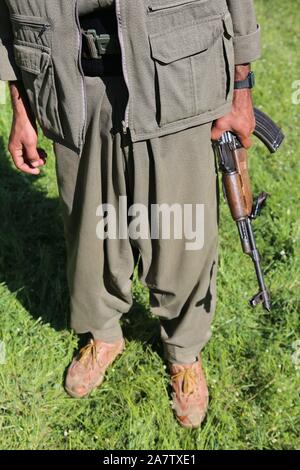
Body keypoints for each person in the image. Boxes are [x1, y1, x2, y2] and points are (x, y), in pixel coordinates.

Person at [0, 0, 260, 428]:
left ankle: (184, 351)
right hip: (68, 82)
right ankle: (103, 335)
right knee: (91, 232)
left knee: (182, 232)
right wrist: (21, 107)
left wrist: (242, 85)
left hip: (180, 73)